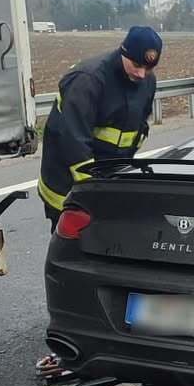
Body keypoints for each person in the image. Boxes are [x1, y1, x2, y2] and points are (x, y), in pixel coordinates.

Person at [37, 26, 163, 232]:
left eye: (148, 68)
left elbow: (137, 128)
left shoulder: (147, 82)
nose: (141, 74)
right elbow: (73, 139)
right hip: (67, 183)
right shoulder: (89, 80)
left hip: (105, 179)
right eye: (137, 65)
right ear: (124, 53)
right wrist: (90, 190)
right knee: (71, 249)